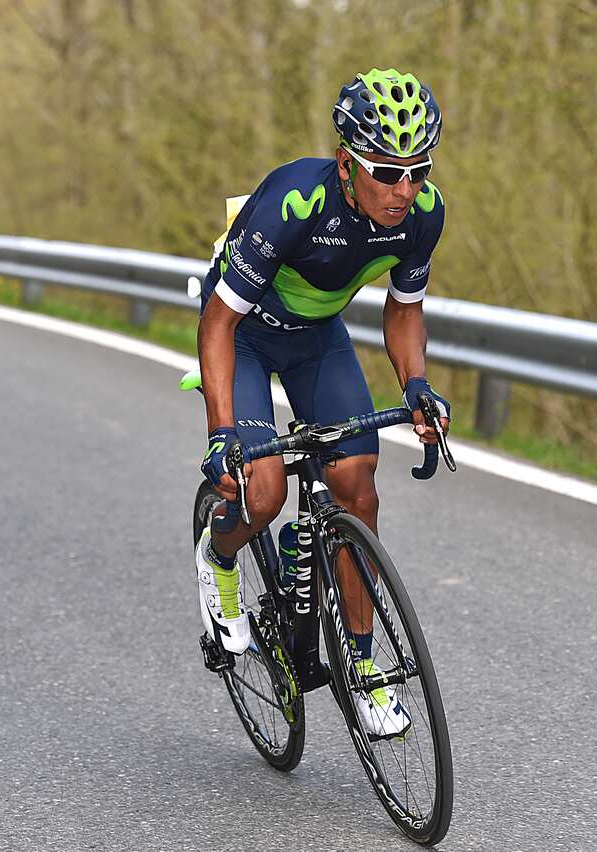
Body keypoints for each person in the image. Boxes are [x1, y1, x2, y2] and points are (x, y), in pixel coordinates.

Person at [194, 67, 451, 740]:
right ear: (347, 163)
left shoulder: (422, 216)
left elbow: (404, 310)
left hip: (315, 339)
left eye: (417, 170)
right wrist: (223, 431)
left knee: (355, 483)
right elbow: (218, 324)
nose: (405, 189)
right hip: (244, 335)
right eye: (388, 172)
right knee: (266, 488)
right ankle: (219, 555)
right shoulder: (295, 202)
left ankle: (362, 670)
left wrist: (415, 385)